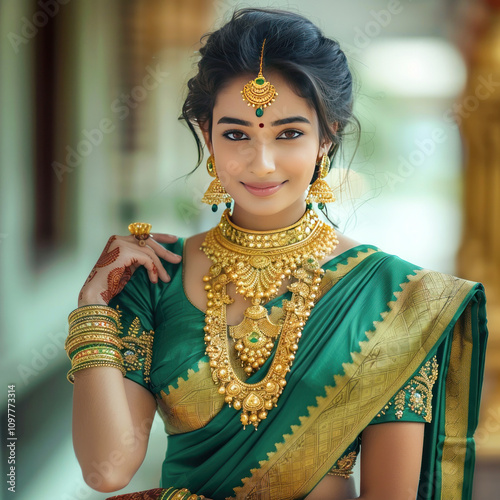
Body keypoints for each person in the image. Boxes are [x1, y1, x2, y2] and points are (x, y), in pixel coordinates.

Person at [65, 8, 488, 500]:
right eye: (236, 134)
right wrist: (92, 309)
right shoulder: (155, 275)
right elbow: (106, 470)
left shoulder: (391, 297)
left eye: (289, 133)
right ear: (207, 135)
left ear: (326, 136)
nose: (261, 163)